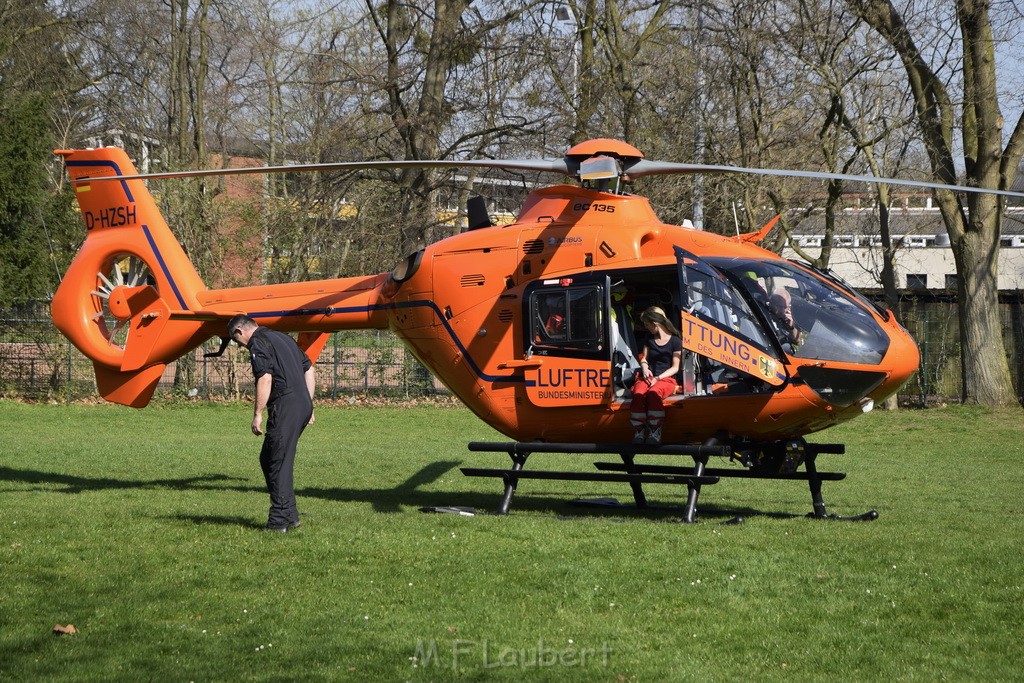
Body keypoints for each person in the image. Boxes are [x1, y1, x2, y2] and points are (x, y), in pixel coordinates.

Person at [228, 314, 315, 533]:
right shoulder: (282, 338)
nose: (240, 346)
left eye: (237, 341)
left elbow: (265, 377)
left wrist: (258, 413)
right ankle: (291, 515)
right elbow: (309, 368)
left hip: (286, 404)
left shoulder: (258, 341)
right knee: (268, 458)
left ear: (239, 331)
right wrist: (308, 404)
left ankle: (278, 521)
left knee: (278, 461)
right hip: (301, 402)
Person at [629, 306, 683, 445]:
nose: (646, 327)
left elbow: (675, 367)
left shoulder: (676, 341)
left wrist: (658, 378)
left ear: (655, 323)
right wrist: (645, 369)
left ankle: (655, 430)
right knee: (638, 393)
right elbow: (644, 359)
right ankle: (639, 431)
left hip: (666, 378)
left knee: (654, 392)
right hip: (647, 377)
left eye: (647, 324)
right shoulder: (649, 338)